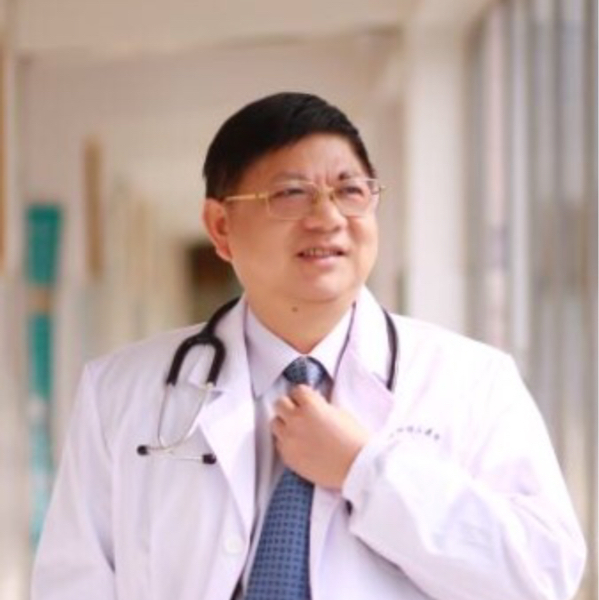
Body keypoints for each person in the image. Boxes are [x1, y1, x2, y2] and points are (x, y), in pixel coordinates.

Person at [32, 92, 586, 600]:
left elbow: (543, 578)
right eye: (291, 194)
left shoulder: (473, 382)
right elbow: (70, 585)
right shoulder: (119, 392)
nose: (327, 218)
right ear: (220, 227)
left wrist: (365, 470)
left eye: (350, 191)